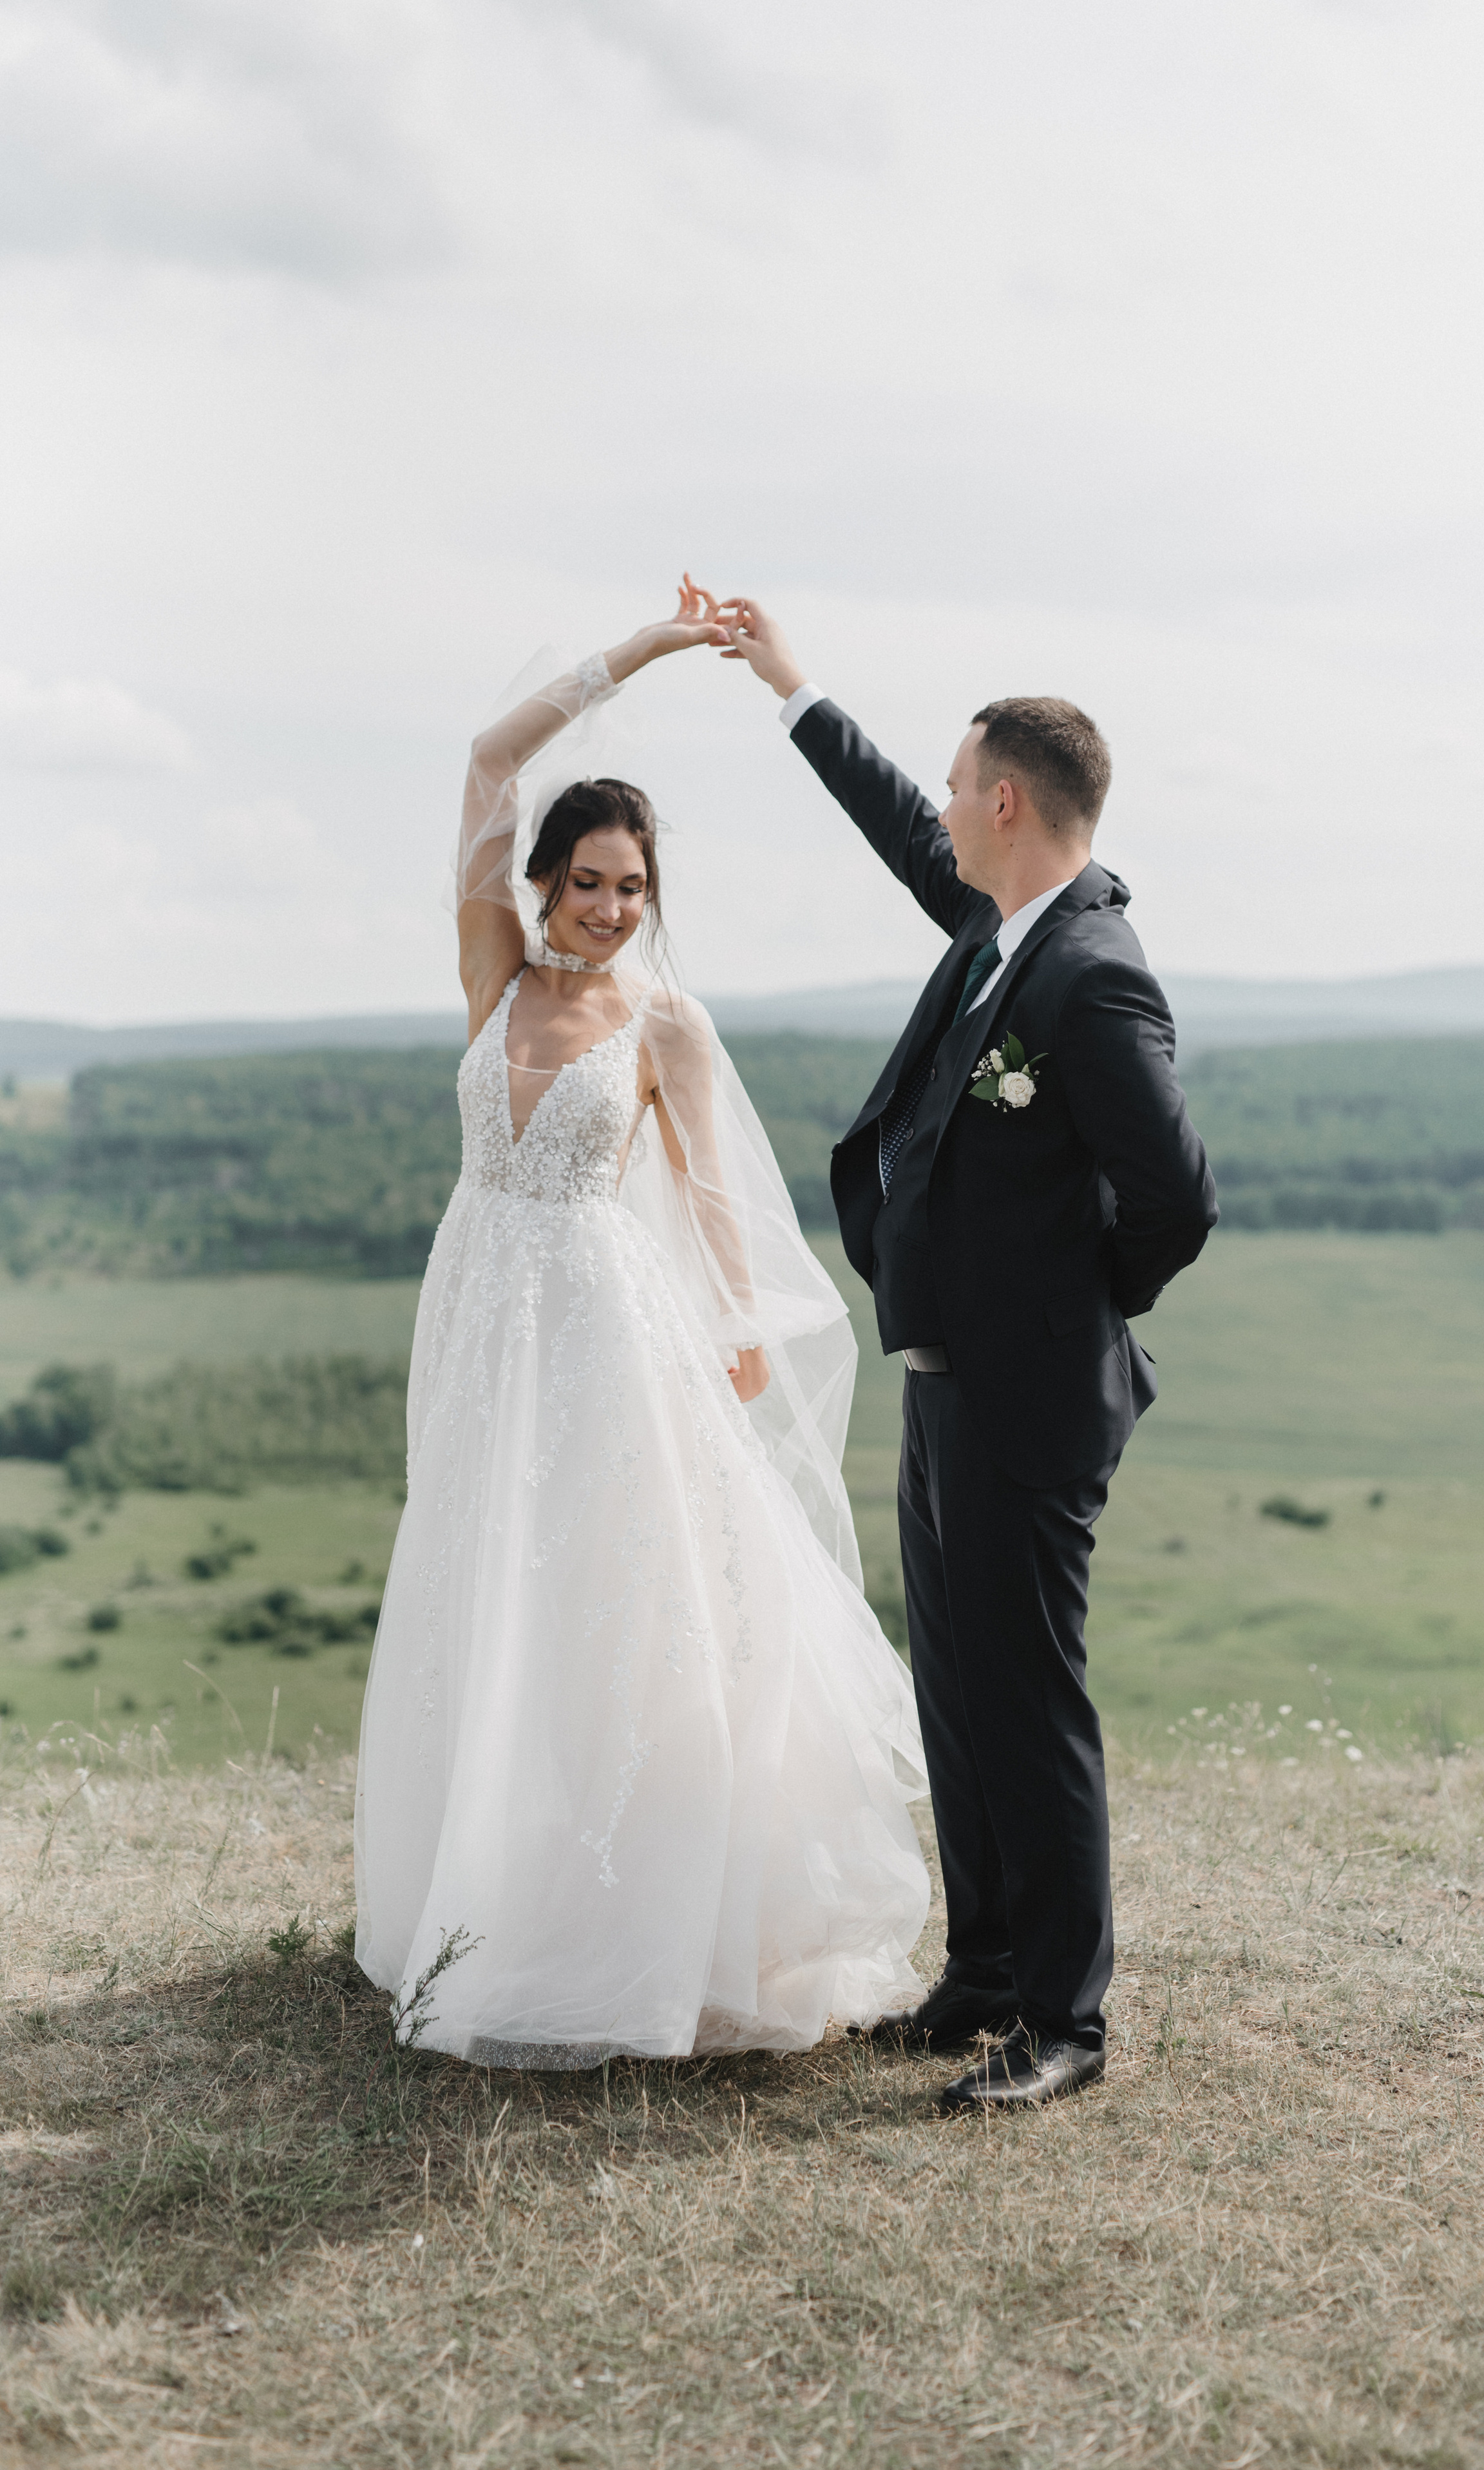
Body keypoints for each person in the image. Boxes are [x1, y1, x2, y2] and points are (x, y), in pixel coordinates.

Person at [354, 581, 929, 2067]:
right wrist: (649, 653)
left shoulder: (663, 1022)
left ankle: (644, 1915)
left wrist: (739, 1317)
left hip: (608, 1327)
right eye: (588, 882)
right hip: (484, 1313)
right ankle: (489, 1898)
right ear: (540, 883)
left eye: (632, 888)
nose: (611, 909)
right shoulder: (492, 978)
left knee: (622, 1605)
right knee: (490, 1587)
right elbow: (489, 762)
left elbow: (717, 1194)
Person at [719, 597, 1217, 2112]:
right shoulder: (999, 934)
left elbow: (1176, 1201)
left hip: (1024, 1397)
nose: (939, 808)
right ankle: (984, 1976)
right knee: (956, 1692)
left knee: (1029, 1701)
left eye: (954, 786)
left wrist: (1066, 1312)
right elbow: (896, 829)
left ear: (1005, 801)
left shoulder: (1089, 973)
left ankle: (1063, 2020)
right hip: (941, 1394)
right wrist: (791, 687)